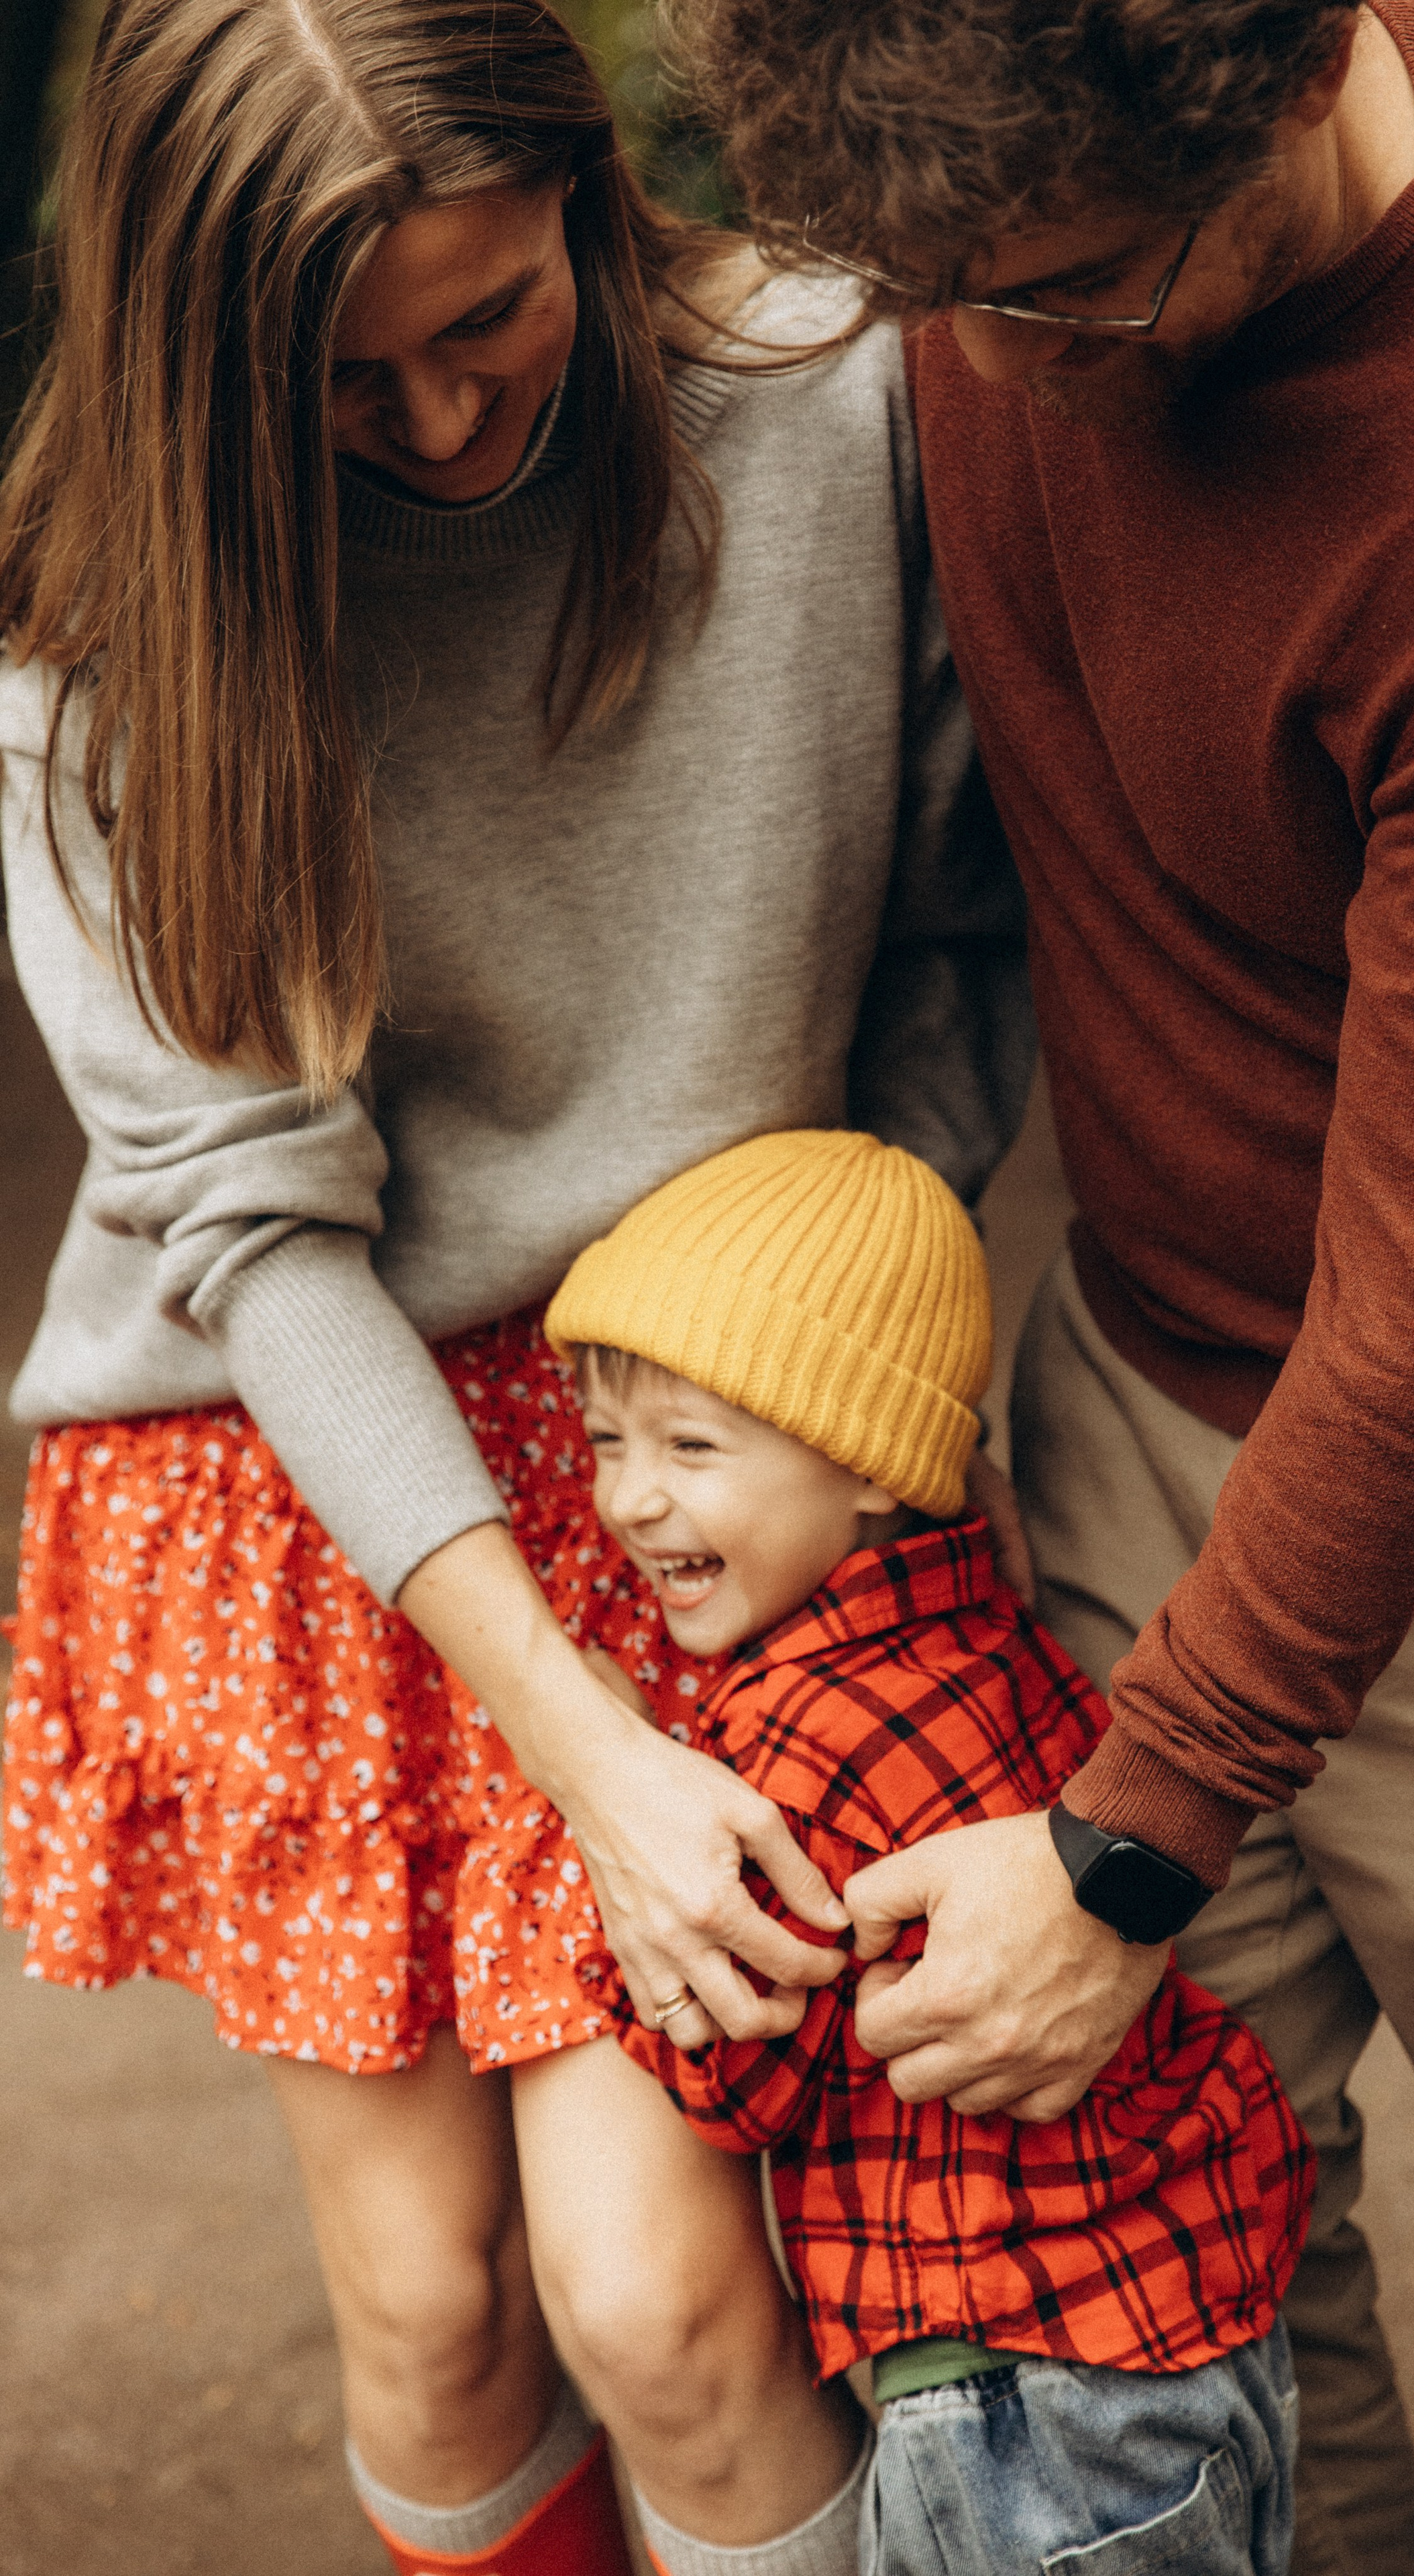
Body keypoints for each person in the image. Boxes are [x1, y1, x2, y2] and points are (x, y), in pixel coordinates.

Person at [664, 0, 1414, 2568]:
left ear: (1274, 88)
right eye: (950, 309)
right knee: (1179, 2319)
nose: (1005, 368)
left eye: (1067, 301)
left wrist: (1133, 1847)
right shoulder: (992, 206)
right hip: (1133, 1381)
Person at [0, 3, 1033, 2569]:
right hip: (290, 1458)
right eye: (354, 387)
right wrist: (577, 1742)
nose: (455, 427)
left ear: (589, 195)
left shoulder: (835, 400)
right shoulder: (95, 637)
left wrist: (804, 1353)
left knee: (668, 2296)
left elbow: (960, 934)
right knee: (439, 2309)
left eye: (494, 322)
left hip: (689, 1414)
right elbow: (247, 1220)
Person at [543, 1125, 1313, 2576]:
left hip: (1023, 2408)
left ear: (868, 1468)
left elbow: (733, 2076)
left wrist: (587, 1826)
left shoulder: (783, 1747)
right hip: (1191, 2324)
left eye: (690, 1446)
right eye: (605, 1441)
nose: (630, 1497)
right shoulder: (984, 1624)